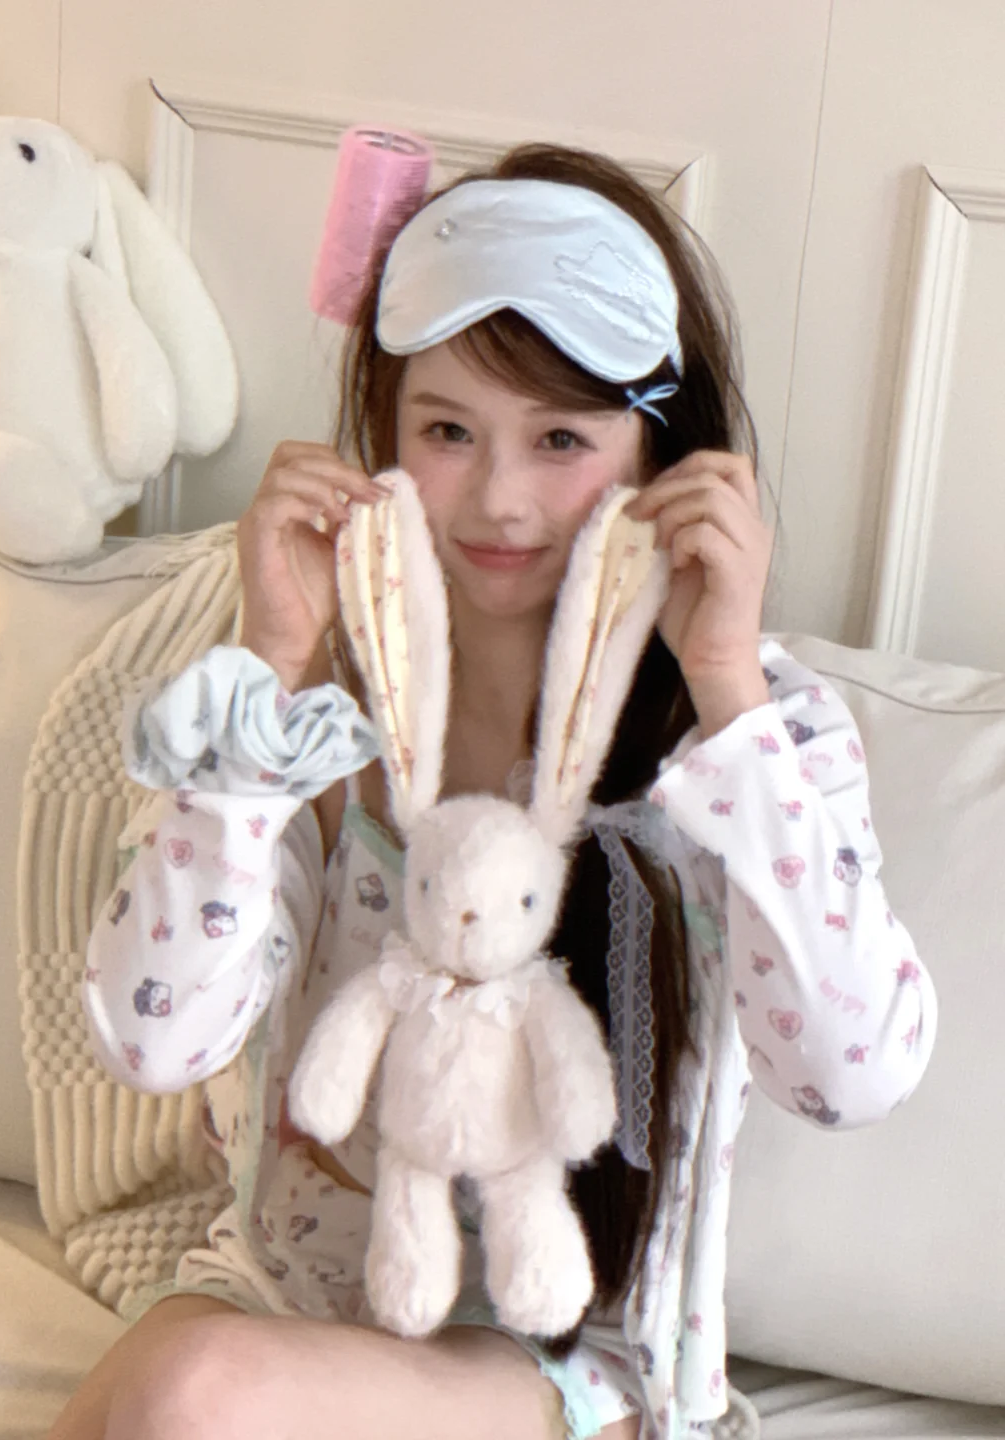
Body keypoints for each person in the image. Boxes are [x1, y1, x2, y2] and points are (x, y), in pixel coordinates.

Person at [49, 144, 937, 1440]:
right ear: (387, 434)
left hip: (572, 1362)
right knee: (168, 1387)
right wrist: (267, 666)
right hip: (283, 1301)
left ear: (659, 451)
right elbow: (155, 1044)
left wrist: (727, 683)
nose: (502, 499)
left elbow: (850, 1076)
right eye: (448, 431)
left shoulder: (743, 741)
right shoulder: (312, 716)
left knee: (194, 1392)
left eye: (562, 438)